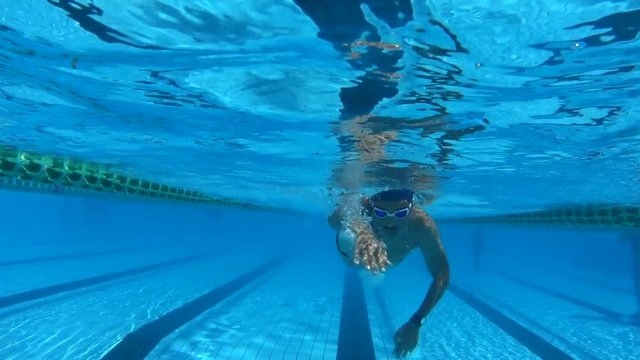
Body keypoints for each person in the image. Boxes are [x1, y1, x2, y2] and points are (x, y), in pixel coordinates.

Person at [328, 188, 450, 358]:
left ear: (411, 207)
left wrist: (416, 322)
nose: (390, 222)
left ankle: (374, 274)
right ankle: (370, 272)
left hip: (388, 263)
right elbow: (332, 220)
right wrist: (359, 225)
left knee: (376, 271)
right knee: (347, 236)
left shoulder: (422, 225)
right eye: (381, 212)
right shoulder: (364, 210)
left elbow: (442, 276)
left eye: (400, 213)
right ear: (372, 207)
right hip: (352, 257)